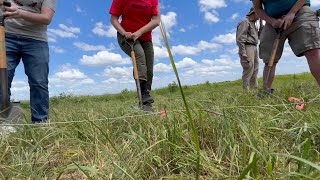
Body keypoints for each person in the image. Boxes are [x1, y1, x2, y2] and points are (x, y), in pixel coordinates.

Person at [2, 0, 57, 123]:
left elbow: (46, 18)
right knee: (2, 81)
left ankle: (40, 123)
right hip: (5, 34)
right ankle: (3, 123)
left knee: (39, 82)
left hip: (36, 39)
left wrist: (20, 13)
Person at [252, 0, 320, 92]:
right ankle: (266, 91)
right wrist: (272, 21)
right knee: (269, 59)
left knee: (313, 51)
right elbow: (258, 8)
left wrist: (292, 13)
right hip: (272, 20)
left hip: (300, 10)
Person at [109, 0, 160, 112]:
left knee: (149, 69)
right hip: (127, 36)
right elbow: (113, 19)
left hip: (145, 38)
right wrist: (124, 33)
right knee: (139, 57)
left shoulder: (153, 1)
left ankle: (145, 96)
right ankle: (145, 101)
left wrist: (140, 32)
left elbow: (156, 21)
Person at [236, 7, 260, 91]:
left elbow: (258, 37)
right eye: (259, 12)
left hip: (254, 46)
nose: (260, 15)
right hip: (247, 46)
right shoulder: (245, 22)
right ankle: (246, 92)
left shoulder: (254, 24)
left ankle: (254, 90)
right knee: (248, 68)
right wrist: (243, 52)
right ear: (254, 12)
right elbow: (240, 38)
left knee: (255, 69)